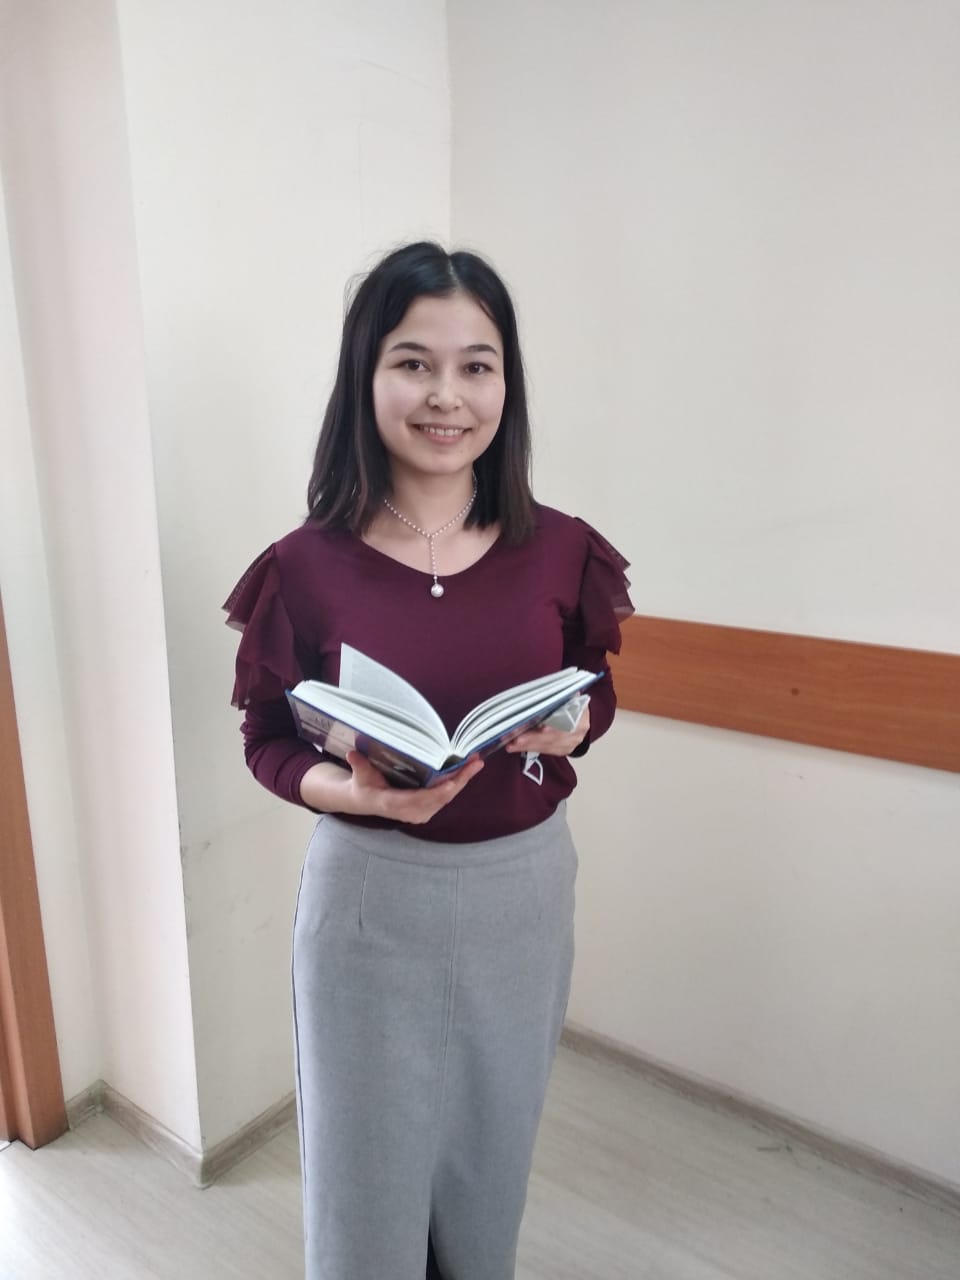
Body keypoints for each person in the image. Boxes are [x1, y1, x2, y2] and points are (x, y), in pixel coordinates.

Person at [223, 242, 633, 1280]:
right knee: (364, 1188)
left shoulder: (562, 547)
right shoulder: (305, 566)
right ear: (367, 377)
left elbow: (595, 689)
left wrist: (575, 725)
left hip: (522, 896)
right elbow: (267, 739)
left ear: (506, 385)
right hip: (371, 902)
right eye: (414, 362)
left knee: (489, 1166)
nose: (447, 394)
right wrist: (353, 792)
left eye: (476, 366)